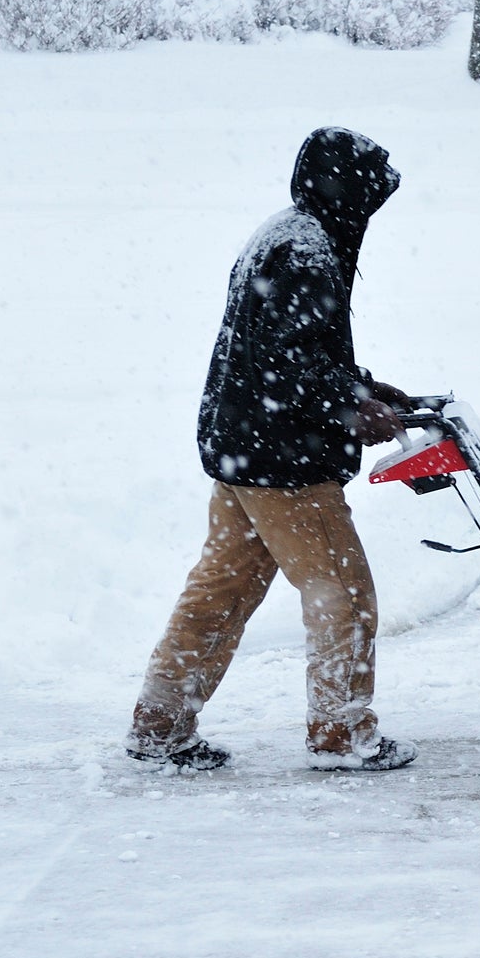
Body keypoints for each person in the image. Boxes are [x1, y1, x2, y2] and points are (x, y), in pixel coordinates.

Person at [127, 127, 418, 773]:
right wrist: (350, 411)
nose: (371, 211)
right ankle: (343, 733)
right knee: (342, 591)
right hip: (284, 463)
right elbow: (289, 368)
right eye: (368, 196)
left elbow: (295, 353)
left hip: (243, 452)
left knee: (222, 590)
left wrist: (365, 388)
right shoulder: (305, 253)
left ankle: (160, 722)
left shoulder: (286, 234)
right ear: (345, 191)